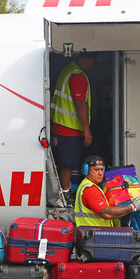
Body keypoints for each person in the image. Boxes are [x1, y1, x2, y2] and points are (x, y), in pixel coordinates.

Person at [75, 155, 140, 279]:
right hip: (97, 242)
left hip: (95, 241)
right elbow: (106, 214)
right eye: (96, 170)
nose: (100, 173)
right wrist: (132, 207)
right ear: (86, 171)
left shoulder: (95, 188)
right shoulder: (89, 189)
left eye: (102, 170)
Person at [50, 51, 97, 205]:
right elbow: (80, 104)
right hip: (68, 126)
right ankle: (65, 193)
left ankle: (64, 190)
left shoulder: (67, 70)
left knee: (64, 160)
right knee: (67, 162)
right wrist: (87, 130)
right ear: (87, 59)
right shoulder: (78, 76)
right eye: (92, 61)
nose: (92, 65)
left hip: (59, 123)